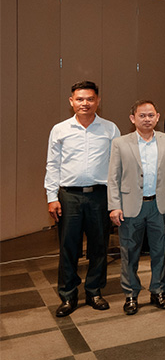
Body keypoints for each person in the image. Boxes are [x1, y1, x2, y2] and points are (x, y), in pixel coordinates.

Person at [45, 81, 120, 317]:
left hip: (100, 195)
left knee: (99, 245)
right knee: (69, 247)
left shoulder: (110, 129)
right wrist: (51, 196)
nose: (84, 103)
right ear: (71, 101)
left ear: (98, 100)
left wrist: (116, 200)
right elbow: (52, 164)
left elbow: (116, 166)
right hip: (69, 196)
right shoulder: (60, 130)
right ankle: (68, 295)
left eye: (89, 99)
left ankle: (94, 291)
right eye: (80, 99)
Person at [108, 100, 165, 315]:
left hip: (160, 205)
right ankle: (131, 294)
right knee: (129, 253)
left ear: (157, 117)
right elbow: (113, 177)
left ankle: (158, 291)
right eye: (142, 115)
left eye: (151, 115)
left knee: (160, 252)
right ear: (133, 119)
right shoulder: (120, 143)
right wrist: (114, 206)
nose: (147, 119)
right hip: (130, 207)